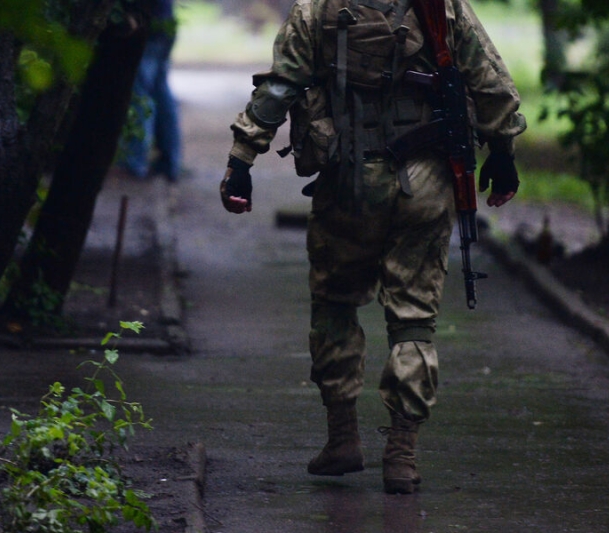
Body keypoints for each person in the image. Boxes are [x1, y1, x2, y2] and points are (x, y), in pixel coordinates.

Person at [220, 0, 526, 494]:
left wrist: (241, 160)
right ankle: (401, 455)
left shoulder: (316, 8)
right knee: (413, 318)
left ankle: (342, 439)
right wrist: (504, 153)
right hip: (427, 182)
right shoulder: (440, 5)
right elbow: (489, 81)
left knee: (336, 304)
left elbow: (279, 87)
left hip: (349, 180)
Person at [119, 0, 182, 182]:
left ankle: (135, 163)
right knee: (161, 94)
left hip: (146, 27)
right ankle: (170, 163)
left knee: (140, 96)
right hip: (165, 22)